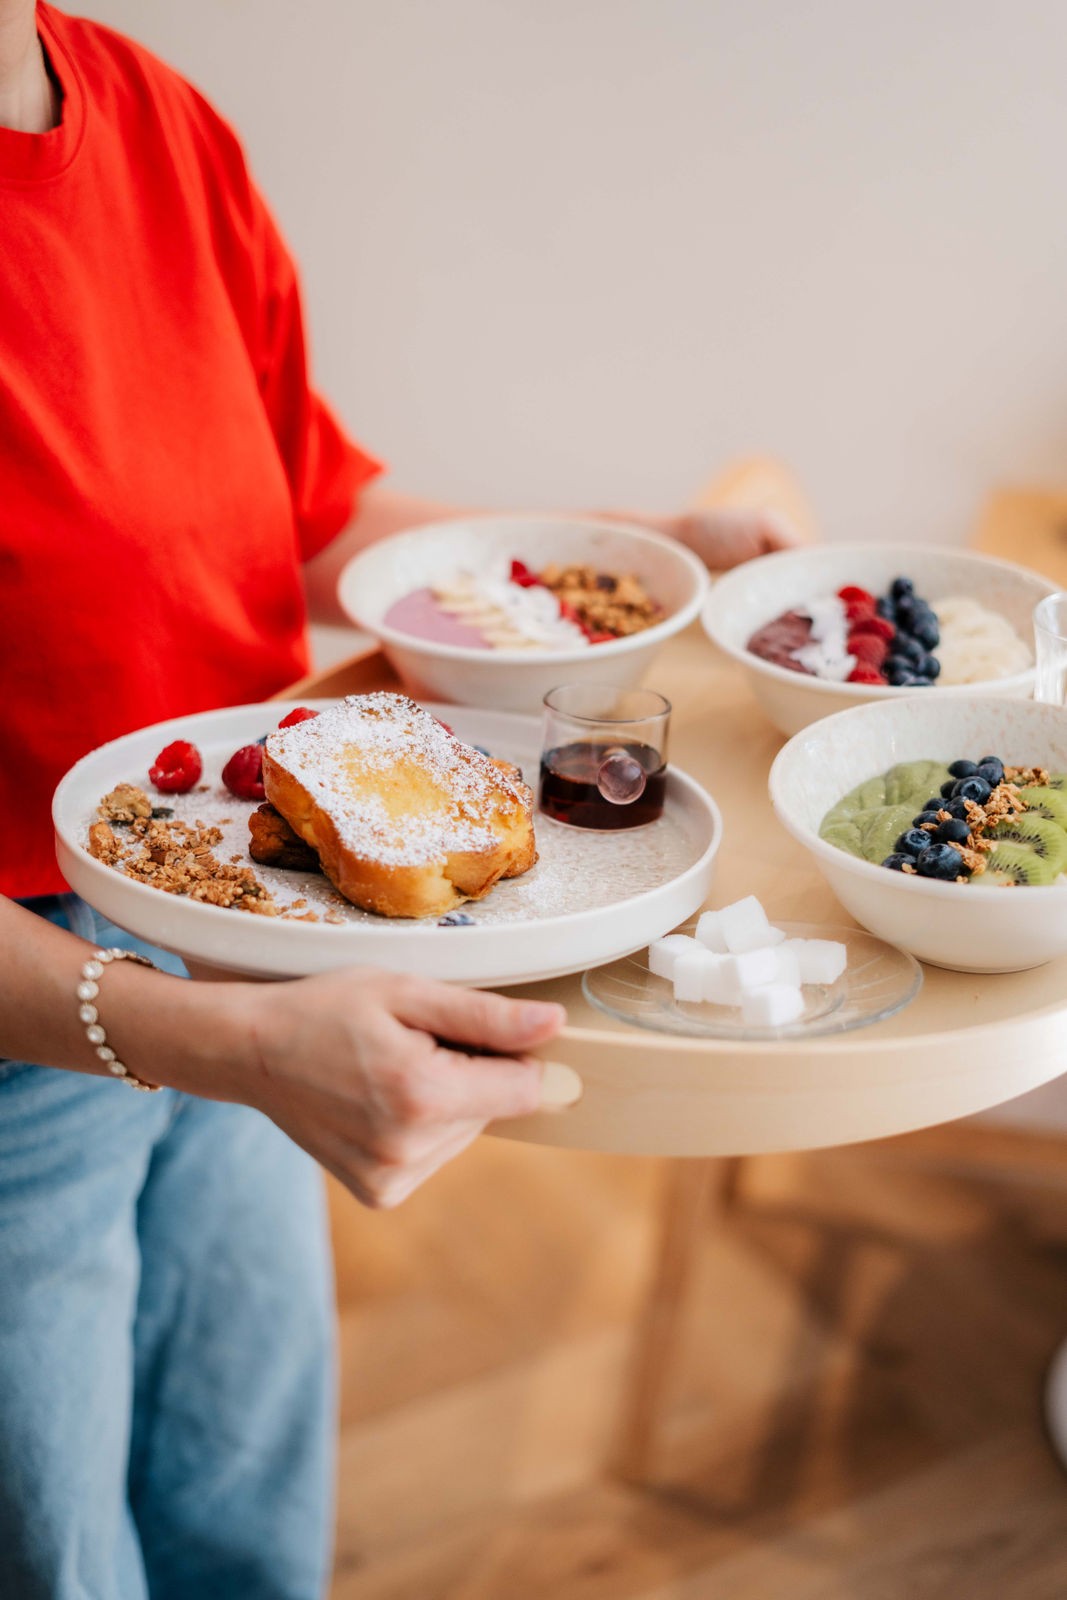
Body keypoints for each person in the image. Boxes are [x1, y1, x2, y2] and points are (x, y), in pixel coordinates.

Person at [0, 5, 798, 1596]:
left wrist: (619, 561)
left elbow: (315, 505)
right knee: (56, 1544)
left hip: (257, 915)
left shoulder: (154, 119)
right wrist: (207, 1038)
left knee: (244, 1480)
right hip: (33, 1024)